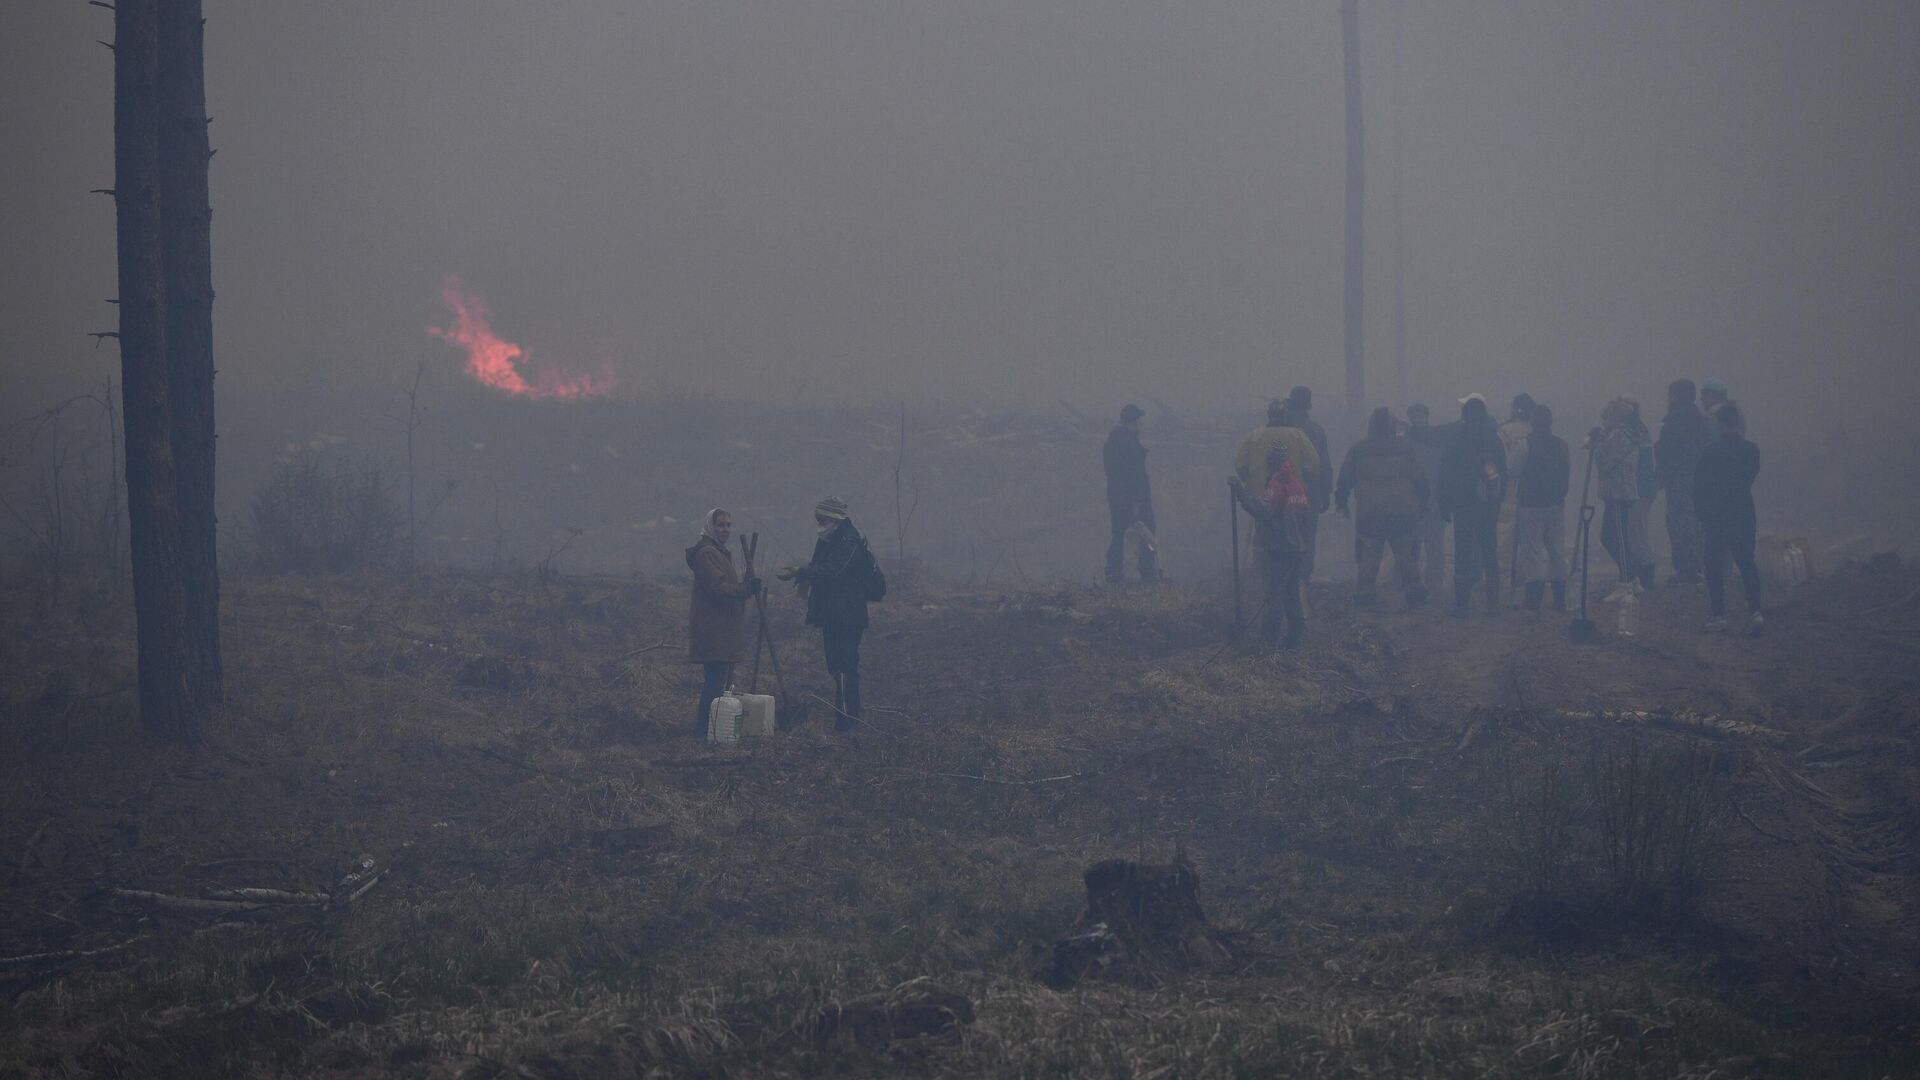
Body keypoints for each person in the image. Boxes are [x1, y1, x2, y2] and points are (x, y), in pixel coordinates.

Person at [778, 496, 876, 728]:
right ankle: (844, 720)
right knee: (837, 668)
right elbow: (820, 568)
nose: (819, 523)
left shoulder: (849, 542)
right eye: (817, 519)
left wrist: (800, 571)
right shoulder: (830, 539)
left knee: (844, 668)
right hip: (834, 615)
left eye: (822, 519)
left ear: (834, 519)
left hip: (847, 617)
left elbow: (833, 571)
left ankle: (847, 724)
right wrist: (802, 575)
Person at [1335, 407, 1429, 609]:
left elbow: (1345, 478)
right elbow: (1420, 478)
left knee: (1368, 555)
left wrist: (1341, 502)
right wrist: (1424, 502)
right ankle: (1415, 593)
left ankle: (1365, 595)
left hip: (1369, 513)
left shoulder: (1358, 449)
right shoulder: (1405, 448)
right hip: (1403, 512)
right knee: (1406, 554)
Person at [686, 508, 760, 736]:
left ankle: (714, 731)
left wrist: (746, 586)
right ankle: (704, 733)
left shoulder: (719, 553)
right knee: (714, 684)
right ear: (710, 526)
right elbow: (718, 590)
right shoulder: (707, 553)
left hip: (723, 629)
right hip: (714, 629)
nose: (725, 530)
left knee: (719, 683)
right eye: (720, 525)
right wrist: (745, 589)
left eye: (728, 525)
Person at [1229, 442, 1310, 647]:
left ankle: (1268, 642)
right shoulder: (1296, 483)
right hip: (1297, 547)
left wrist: (1240, 491)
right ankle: (1294, 639)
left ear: (1270, 461)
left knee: (1274, 595)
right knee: (1291, 595)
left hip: (1280, 549)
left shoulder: (1276, 484)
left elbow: (1263, 511)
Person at [1693, 405, 1764, 635]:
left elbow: (1698, 488)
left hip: (1716, 516)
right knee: (1746, 562)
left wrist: (1702, 515)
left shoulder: (1710, 452)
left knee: (1714, 565)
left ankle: (1718, 615)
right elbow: (1749, 477)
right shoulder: (1751, 451)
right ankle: (1755, 611)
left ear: (1720, 425)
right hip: (1743, 512)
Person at [1438, 394, 1507, 616]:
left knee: (1463, 553)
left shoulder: (1455, 439)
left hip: (1462, 504)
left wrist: (1444, 504)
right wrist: (1498, 501)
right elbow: (1502, 473)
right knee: (1489, 552)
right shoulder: (1493, 438)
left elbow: (1445, 474)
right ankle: (1493, 605)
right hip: (1487, 504)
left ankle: (1462, 605)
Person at [1592, 397, 1655, 595]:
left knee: (1616, 538)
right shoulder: (1624, 432)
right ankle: (1631, 578)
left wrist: (1597, 443)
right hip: (1617, 491)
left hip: (1619, 493)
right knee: (1610, 536)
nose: (1603, 420)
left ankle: (1626, 582)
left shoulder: (1621, 434)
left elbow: (1604, 460)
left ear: (1616, 416)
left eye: (1606, 416)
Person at [1511, 405, 1570, 611]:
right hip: (1556, 505)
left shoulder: (1525, 445)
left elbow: (1512, 471)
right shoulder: (1562, 446)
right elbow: (1565, 477)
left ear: (1532, 423)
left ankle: (1534, 598)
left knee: (1533, 551)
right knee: (1556, 550)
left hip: (1530, 505)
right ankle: (1560, 598)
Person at [1655, 379, 1712, 585]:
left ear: (1675, 395)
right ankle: (1698, 567)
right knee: (1695, 522)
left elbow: (1668, 451)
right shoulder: (1700, 419)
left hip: (1679, 479)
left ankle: (1687, 570)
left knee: (1679, 523)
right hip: (1698, 477)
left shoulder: (1675, 419)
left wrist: (1661, 473)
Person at [1280, 386, 1333, 585]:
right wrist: (1326, 492)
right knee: (1307, 536)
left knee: (1281, 534)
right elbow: (1324, 464)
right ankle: (1303, 579)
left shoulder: (1276, 428)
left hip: (1280, 492)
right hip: (1310, 492)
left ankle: (1284, 579)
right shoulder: (1316, 430)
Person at [1103, 404, 1159, 584]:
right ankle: (1148, 575)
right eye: (1139, 421)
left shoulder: (1113, 442)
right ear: (1134, 421)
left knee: (1119, 534)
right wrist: (1137, 502)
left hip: (1118, 498)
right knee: (1145, 534)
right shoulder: (1128, 444)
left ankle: (1113, 575)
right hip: (1133, 500)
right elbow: (1135, 476)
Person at [1405, 403, 1450, 595]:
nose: (1417, 418)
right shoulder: (1406, 441)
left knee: (1434, 543)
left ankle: (1435, 582)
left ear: (1426, 415)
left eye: (1420, 414)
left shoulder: (1437, 438)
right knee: (1413, 541)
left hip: (1433, 496)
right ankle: (1413, 581)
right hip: (1414, 497)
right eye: (1414, 415)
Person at [1496, 393, 1535, 577]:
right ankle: (1527, 574)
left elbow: (1501, 461)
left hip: (1509, 488)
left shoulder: (1504, 430)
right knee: (1531, 536)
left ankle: (1503, 574)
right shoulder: (1538, 429)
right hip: (1534, 489)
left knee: (1504, 534)